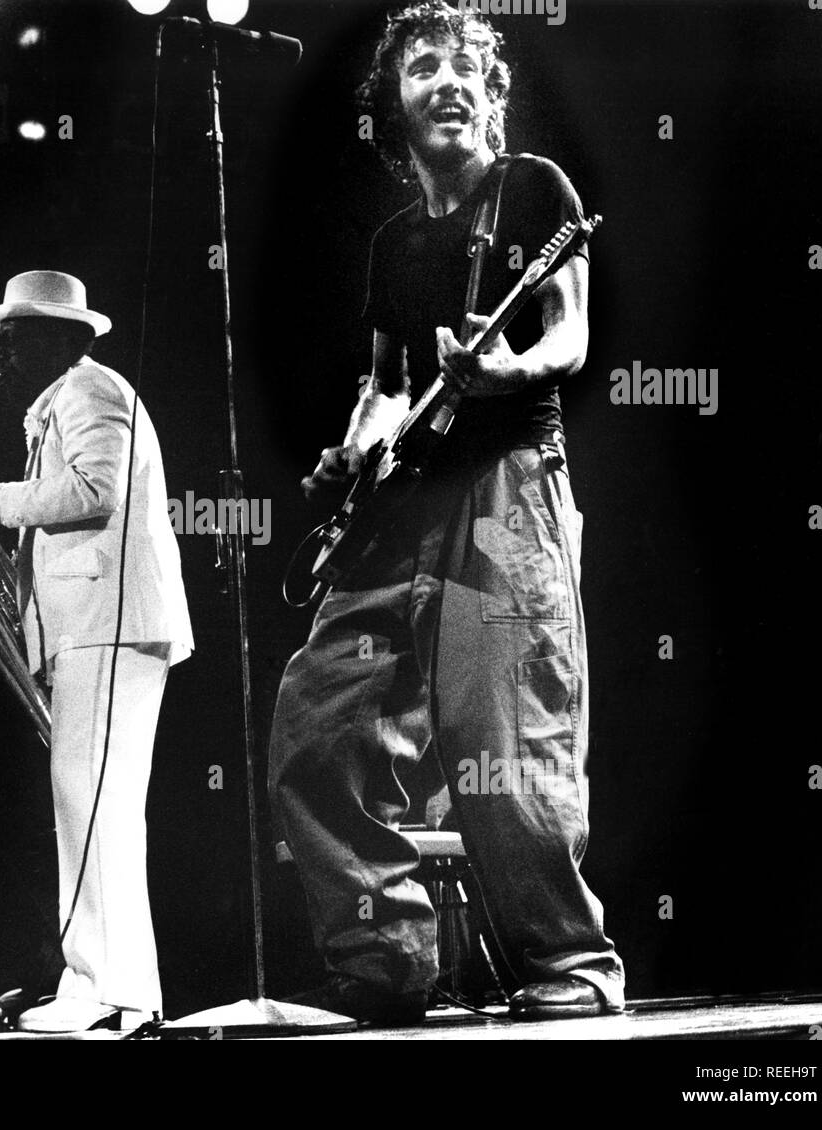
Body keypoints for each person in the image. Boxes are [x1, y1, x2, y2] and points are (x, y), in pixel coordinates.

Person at [268, 2, 625, 1023]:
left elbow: (569, 335)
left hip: (505, 484)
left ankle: (569, 965)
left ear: (492, 98)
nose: (450, 80)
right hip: (398, 503)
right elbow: (382, 388)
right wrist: (350, 446)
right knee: (317, 721)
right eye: (424, 67)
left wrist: (509, 365)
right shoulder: (392, 243)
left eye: (468, 65)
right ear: (394, 109)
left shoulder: (535, 192)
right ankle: (384, 963)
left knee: (507, 737)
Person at [0, 270, 193, 1032]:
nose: (6, 350)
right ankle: (120, 992)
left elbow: (93, 492)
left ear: (67, 338)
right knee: (99, 809)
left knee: (92, 806)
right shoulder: (63, 399)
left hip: (107, 626)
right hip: (96, 627)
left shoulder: (90, 390)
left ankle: (98, 992)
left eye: (20, 335)